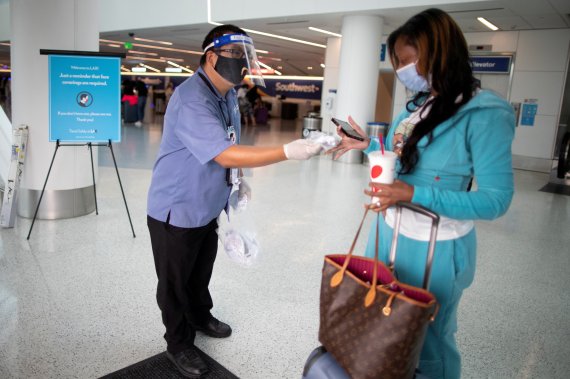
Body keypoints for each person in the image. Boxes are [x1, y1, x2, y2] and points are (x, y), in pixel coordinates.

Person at [329, 8, 515, 379]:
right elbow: (403, 159)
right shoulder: (416, 108)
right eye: (397, 60)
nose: (401, 68)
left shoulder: (485, 113)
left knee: (428, 337)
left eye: (407, 59)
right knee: (380, 320)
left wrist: (413, 193)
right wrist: (369, 146)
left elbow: (496, 200)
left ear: (439, 52)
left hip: (436, 245)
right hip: (386, 233)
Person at [146, 24, 323, 378]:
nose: (243, 64)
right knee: (174, 282)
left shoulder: (225, 94)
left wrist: (237, 185)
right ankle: (178, 343)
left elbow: (229, 144)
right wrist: (286, 151)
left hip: (207, 205)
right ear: (211, 57)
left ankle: (199, 316)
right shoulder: (192, 98)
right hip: (177, 209)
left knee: (200, 272)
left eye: (246, 56)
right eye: (236, 56)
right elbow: (226, 153)